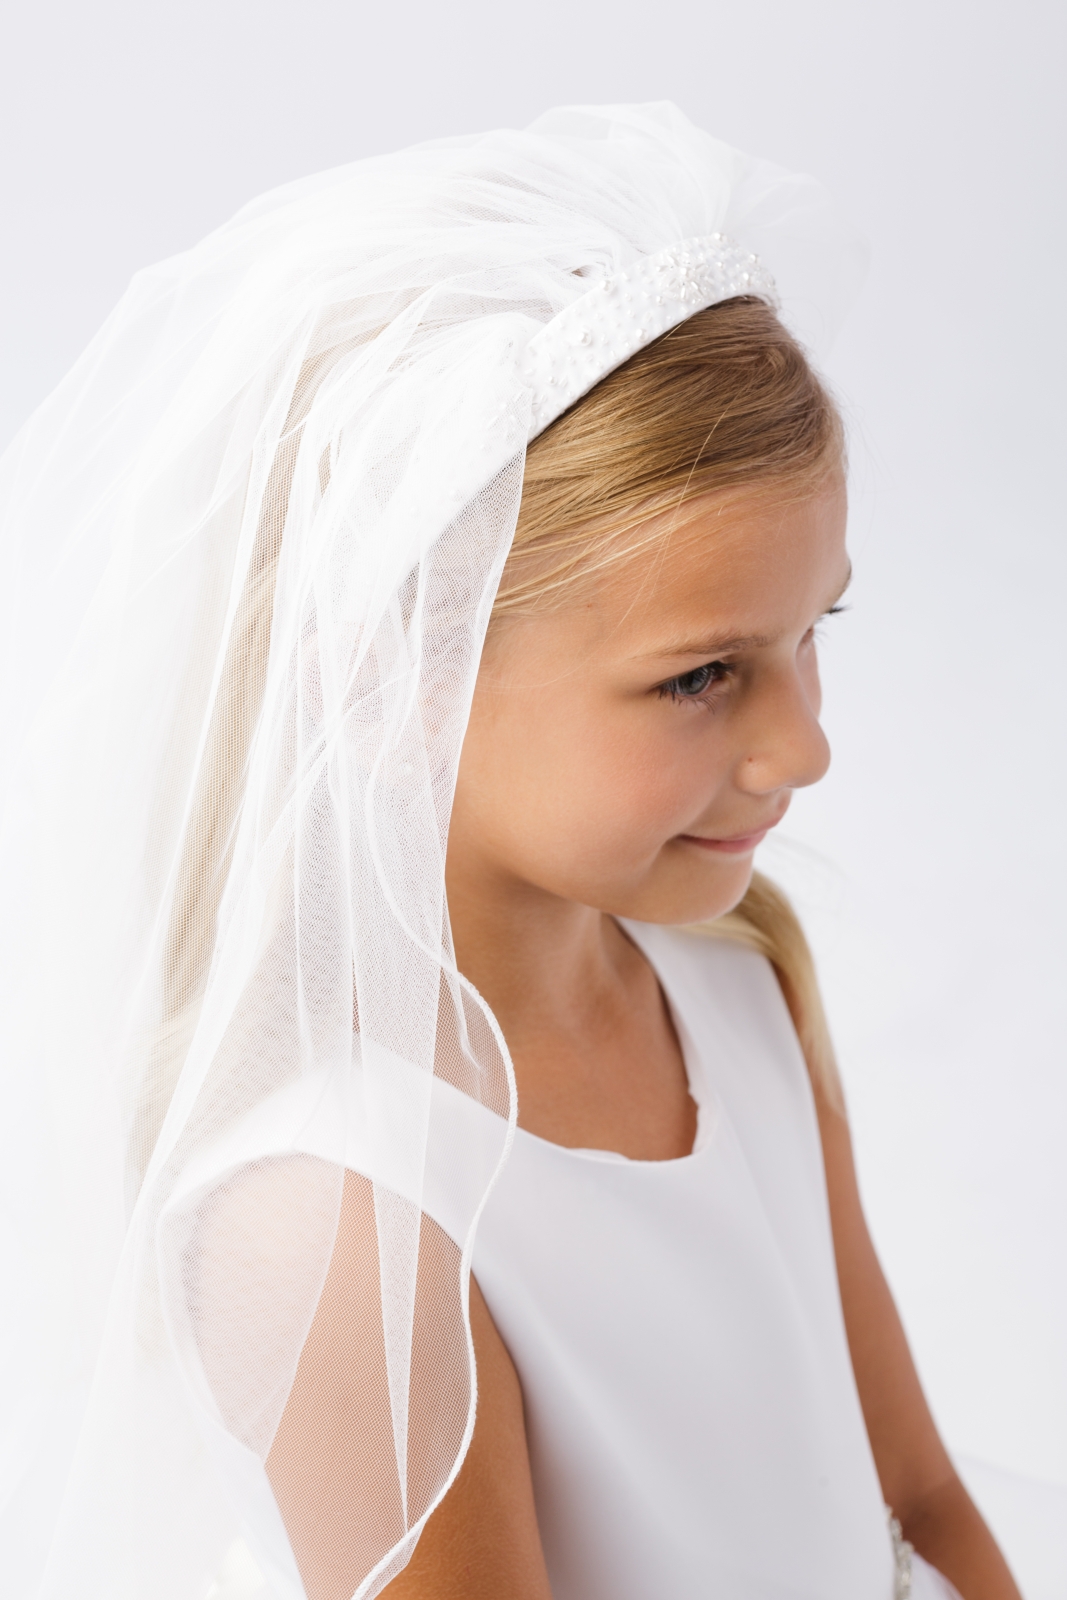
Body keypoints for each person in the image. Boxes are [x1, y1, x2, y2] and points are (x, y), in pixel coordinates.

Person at [0, 104, 1021, 1600]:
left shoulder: (738, 983)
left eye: (818, 634)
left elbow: (915, 1496)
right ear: (401, 670)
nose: (806, 749)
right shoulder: (343, 1215)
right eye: (701, 676)